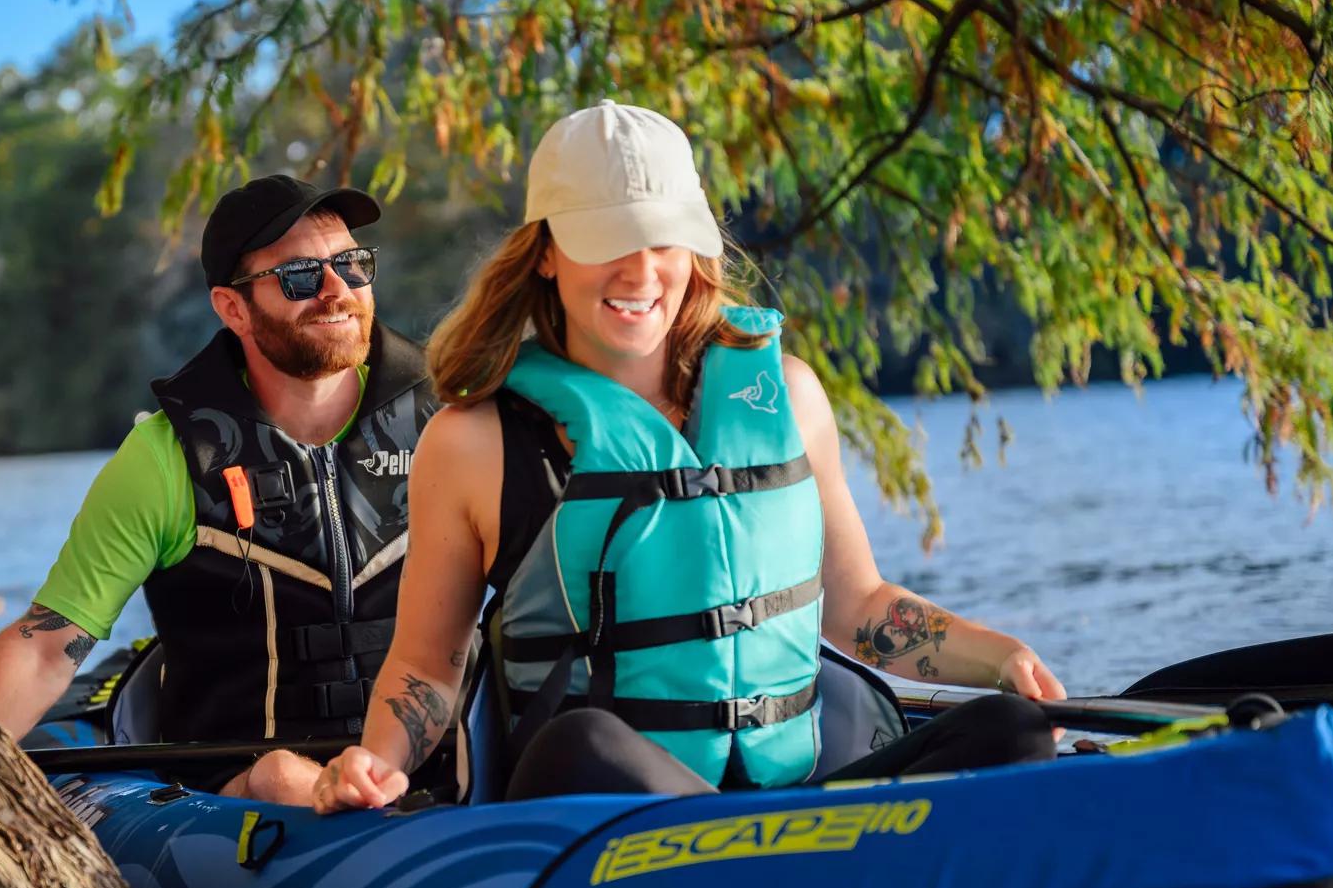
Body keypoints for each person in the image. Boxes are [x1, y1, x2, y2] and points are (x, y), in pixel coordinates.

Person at [314, 101, 1066, 813]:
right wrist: (379, 762)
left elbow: (856, 606)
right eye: (607, 241)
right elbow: (424, 667)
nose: (640, 272)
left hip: (784, 796)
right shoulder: (474, 440)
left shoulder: (790, 396)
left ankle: (793, 855)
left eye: (663, 239)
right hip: (592, 810)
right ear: (545, 254)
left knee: (1010, 729)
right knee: (584, 742)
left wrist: (997, 658)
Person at [0, 175, 438, 804]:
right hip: (239, 790)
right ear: (233, 308)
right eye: (299, 275)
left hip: (430, 772)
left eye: (352, 265)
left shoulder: (447, 420)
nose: (336, 291)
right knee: (280, 777)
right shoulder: (168, 458)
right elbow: (48, 648)